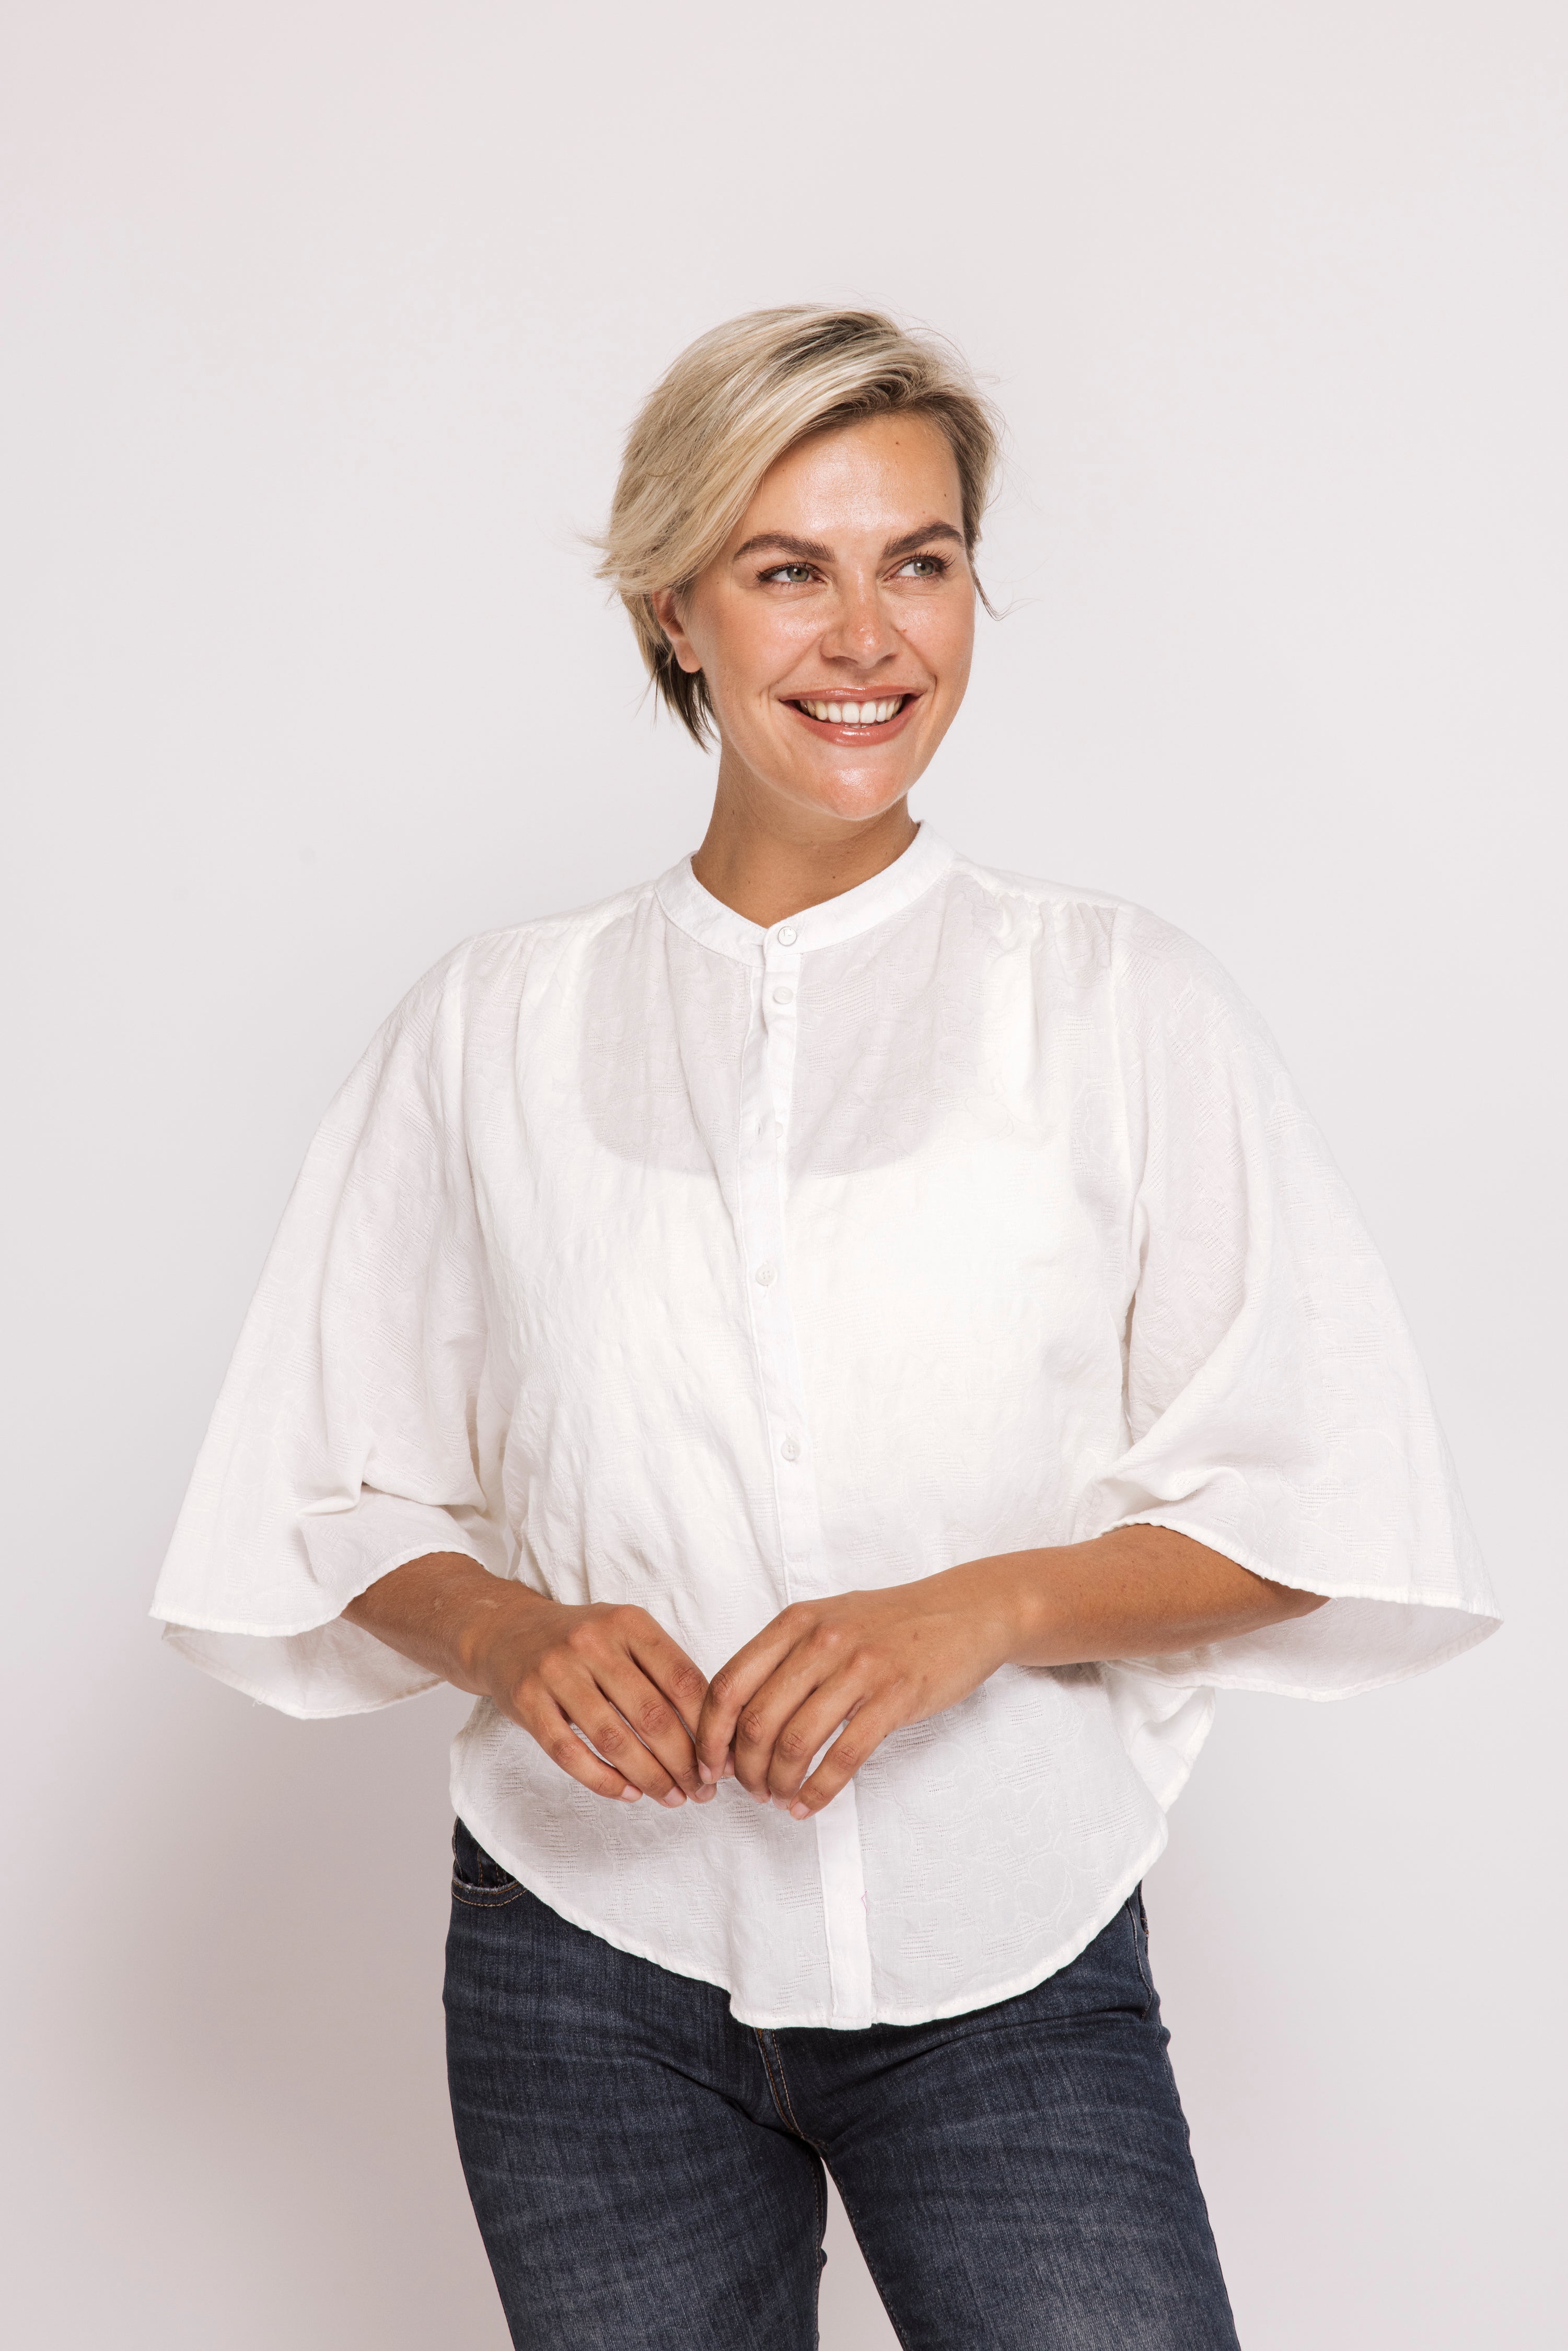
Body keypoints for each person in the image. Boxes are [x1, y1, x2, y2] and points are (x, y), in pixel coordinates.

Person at [153, 307, 1499, 2350]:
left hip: (1003, 1942)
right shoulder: (491, 1027)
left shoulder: (1118, 1003)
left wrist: (975, 1612)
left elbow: (1311, 1498)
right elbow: (325, 1486)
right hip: (582, 1960)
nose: (868, 637)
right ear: (673, 609)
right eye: (789, 569)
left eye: (920, 561)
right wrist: (509, 1633)